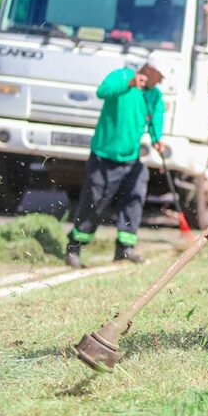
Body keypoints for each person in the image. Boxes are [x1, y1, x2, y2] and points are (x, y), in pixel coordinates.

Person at [65, 64, 165, 268]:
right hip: (105, 155)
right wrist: (128, 84)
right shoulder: (122, 76)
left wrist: (157, 138)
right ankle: (75, 246)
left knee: (135, 197)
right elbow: (103, 91)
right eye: (159, 76)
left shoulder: (154, 94)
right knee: (95, 201)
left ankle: (125, 248)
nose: (160, 81)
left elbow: (156, 116)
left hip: (131, 158)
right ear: (148, 69)